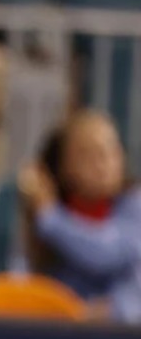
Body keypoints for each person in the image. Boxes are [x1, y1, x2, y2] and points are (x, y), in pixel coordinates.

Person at [18, 109, 141, 324]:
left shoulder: (133, 206)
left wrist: (49, 217)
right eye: (87, 154)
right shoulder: (49, 216)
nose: (103, 163)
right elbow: (27, 279)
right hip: (62, 336)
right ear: (62, 166)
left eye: (111, 150)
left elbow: (106, 254)